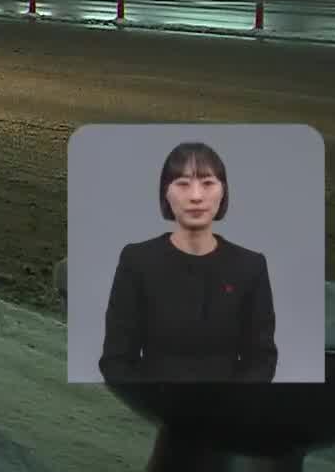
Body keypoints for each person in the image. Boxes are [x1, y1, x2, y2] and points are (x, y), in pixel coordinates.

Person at [99, 141, 277, 383]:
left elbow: (262, 359)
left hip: (230, 412)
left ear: (223, 191)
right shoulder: (137, 261)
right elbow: (116, 359)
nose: (196, 196)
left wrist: (231, 408)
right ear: (165, 192)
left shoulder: (250, 266)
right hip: (154, 409)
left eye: (207, 183)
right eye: (182, 184)